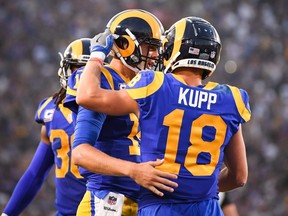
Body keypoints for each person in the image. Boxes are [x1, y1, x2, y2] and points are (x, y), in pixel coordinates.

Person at [76, 16, 251, 216]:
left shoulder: (154, 86)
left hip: (158, 206)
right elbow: (239, 177)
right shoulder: (231, 99)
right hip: (204, 207)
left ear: (173, 50)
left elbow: (87, 95)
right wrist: (197, 190)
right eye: (149, 47)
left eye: (159, 48)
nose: (156, 54)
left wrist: (96, 56)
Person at [65, 9, 177, 216]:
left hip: (143, 201)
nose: (154, 54)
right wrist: (133, 170)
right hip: (108, 201)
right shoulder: (103, 79)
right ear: (125, 44)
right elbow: (80, 153)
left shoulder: (146, 84)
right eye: (149, 46)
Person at [1, 38, 91, 216]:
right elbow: (36, 173)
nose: (81, 76)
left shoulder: (115, 110)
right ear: (66, 70)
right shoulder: (52, 111)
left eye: (88, 70)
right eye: (76, 68)